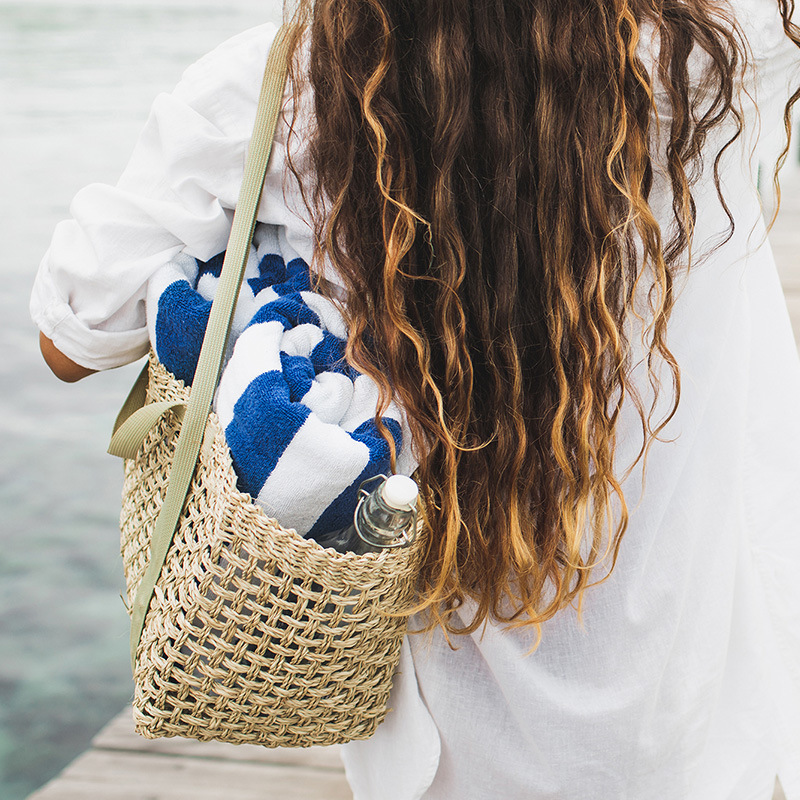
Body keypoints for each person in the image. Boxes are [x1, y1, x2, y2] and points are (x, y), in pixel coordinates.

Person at [32, 0, 800, 797]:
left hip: (448, 751)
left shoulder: (292, 84)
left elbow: (70, 334)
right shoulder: (710, 55)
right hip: (691, 719)